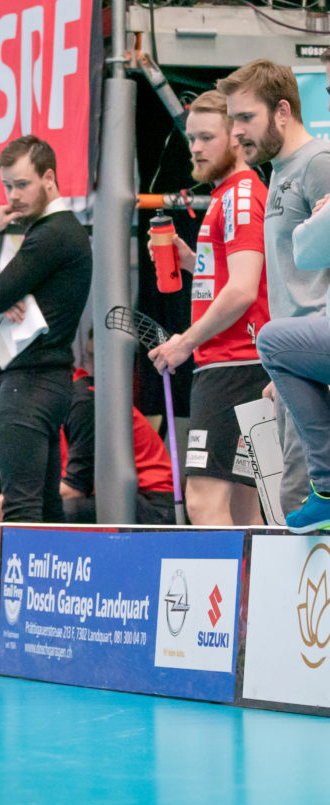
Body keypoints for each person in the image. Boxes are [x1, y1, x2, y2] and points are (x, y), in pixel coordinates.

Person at [145, 90, 269, 526]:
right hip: (240, 365)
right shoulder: (227, 196)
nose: (194, 147)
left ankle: (217, 597)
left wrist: (183, 343)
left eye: (206, 137)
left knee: (202, 500)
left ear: (235, 138)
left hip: (232, 366)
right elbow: (239, 274)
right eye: (190, 137)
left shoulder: (238, 196)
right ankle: (252, 595)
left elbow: (242, 290)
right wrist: (189, 260)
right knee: (243, 506)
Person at [220, 59, 330, 519]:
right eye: (233, 120)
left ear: (282, 111)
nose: (236, 133)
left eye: (246, 118)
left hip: (318, 363)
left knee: (302, 505)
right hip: (300, 360)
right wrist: (283, 364)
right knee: (293, 506)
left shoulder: (318, 164)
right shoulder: (282, 171)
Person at [0, 135, 92, 522]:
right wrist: (2, 293)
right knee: (44, 506)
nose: (12, 197)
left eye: (22, 184)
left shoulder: (51, 234)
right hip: (47, 381)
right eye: (7, 186)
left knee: (24, 509)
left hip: (30, 385)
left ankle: (22, 585)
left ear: (49, 178)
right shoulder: (60, 233)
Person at [0, 369, 176, 525]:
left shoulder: (83, 402)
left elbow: (75, 488)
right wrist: (2, 500)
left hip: (150, 505)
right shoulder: (53, 406)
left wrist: (10, 501)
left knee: (51, 513)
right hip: (105, 498)